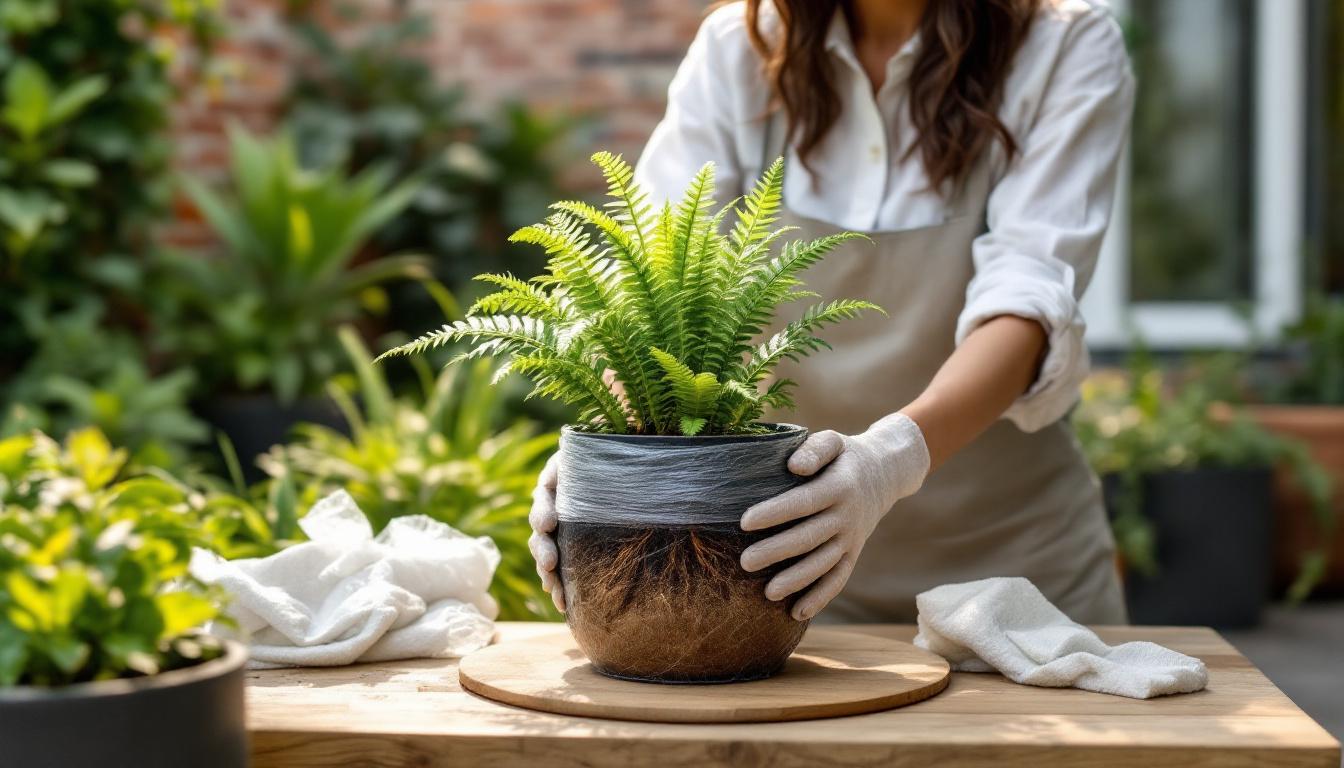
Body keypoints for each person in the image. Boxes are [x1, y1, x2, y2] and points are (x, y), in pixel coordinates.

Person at [529, 0, 1134, 625]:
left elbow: (1028, 301)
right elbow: (658, 297)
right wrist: (618, 465)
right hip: (785, 577)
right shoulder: (740, 49)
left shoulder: (1063, 45)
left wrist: (885, 464)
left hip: (1018, 583)